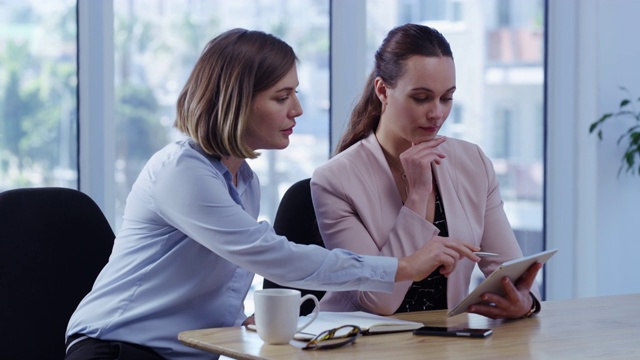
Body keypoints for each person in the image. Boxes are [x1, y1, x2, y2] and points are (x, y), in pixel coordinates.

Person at [64, 28, 480, 360]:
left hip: (191, 351)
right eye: (282, 96)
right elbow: (273, 257)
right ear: (236, 102)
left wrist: (242, 319)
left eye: (295, 93)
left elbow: (228, 272)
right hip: (119, 348)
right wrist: (401, 267)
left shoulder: (245, 181)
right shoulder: (182, 173)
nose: (297, 109)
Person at [310, 23, 542, 318]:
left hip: (445, 339)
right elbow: (378, 300)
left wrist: (524, 302)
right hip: (365, 343)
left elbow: (511, 269)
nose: (437, 113)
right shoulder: (334, 180)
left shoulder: (473, 162)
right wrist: (417, 195)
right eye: (421, 98)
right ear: (383, 90)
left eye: (447, 98)